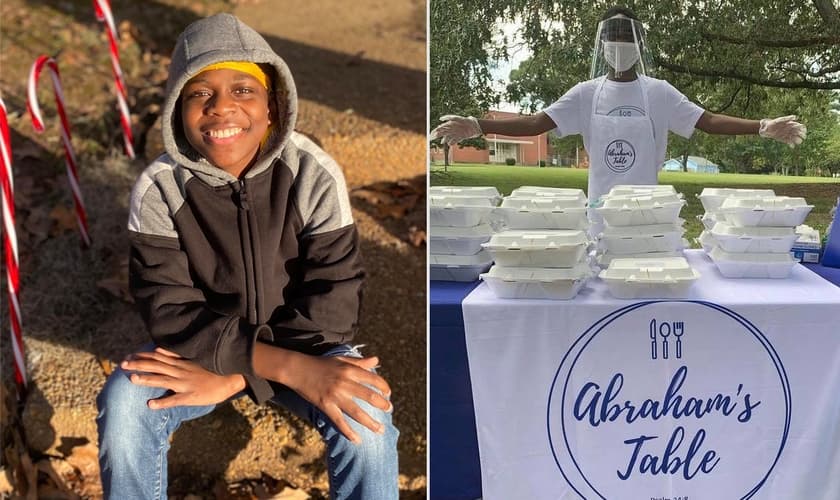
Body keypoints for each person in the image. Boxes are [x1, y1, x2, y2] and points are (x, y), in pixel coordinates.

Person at [96, 13, 398, 499]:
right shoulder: (158, 189)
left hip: (308, 348)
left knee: (370, 414)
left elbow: (336, 301)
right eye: (199, 93)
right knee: (126, 402)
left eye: (243, 90)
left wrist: (239, 376)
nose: (221, 108)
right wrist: (263, 368)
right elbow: (170, 309)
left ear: (273, 106)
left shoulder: (312, 173)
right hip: (204, 349)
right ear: (176, 110)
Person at [430, 6, 807, 209]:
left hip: (648, 213)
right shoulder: (585, 93)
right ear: (601, 43)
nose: (619, 44)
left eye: (627, 37)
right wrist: (479, 125)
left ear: (639, 44)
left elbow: (706, 120)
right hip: (599, 212)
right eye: (613, 37)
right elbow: (535, 123)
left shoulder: (659, 92)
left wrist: (761, 126)